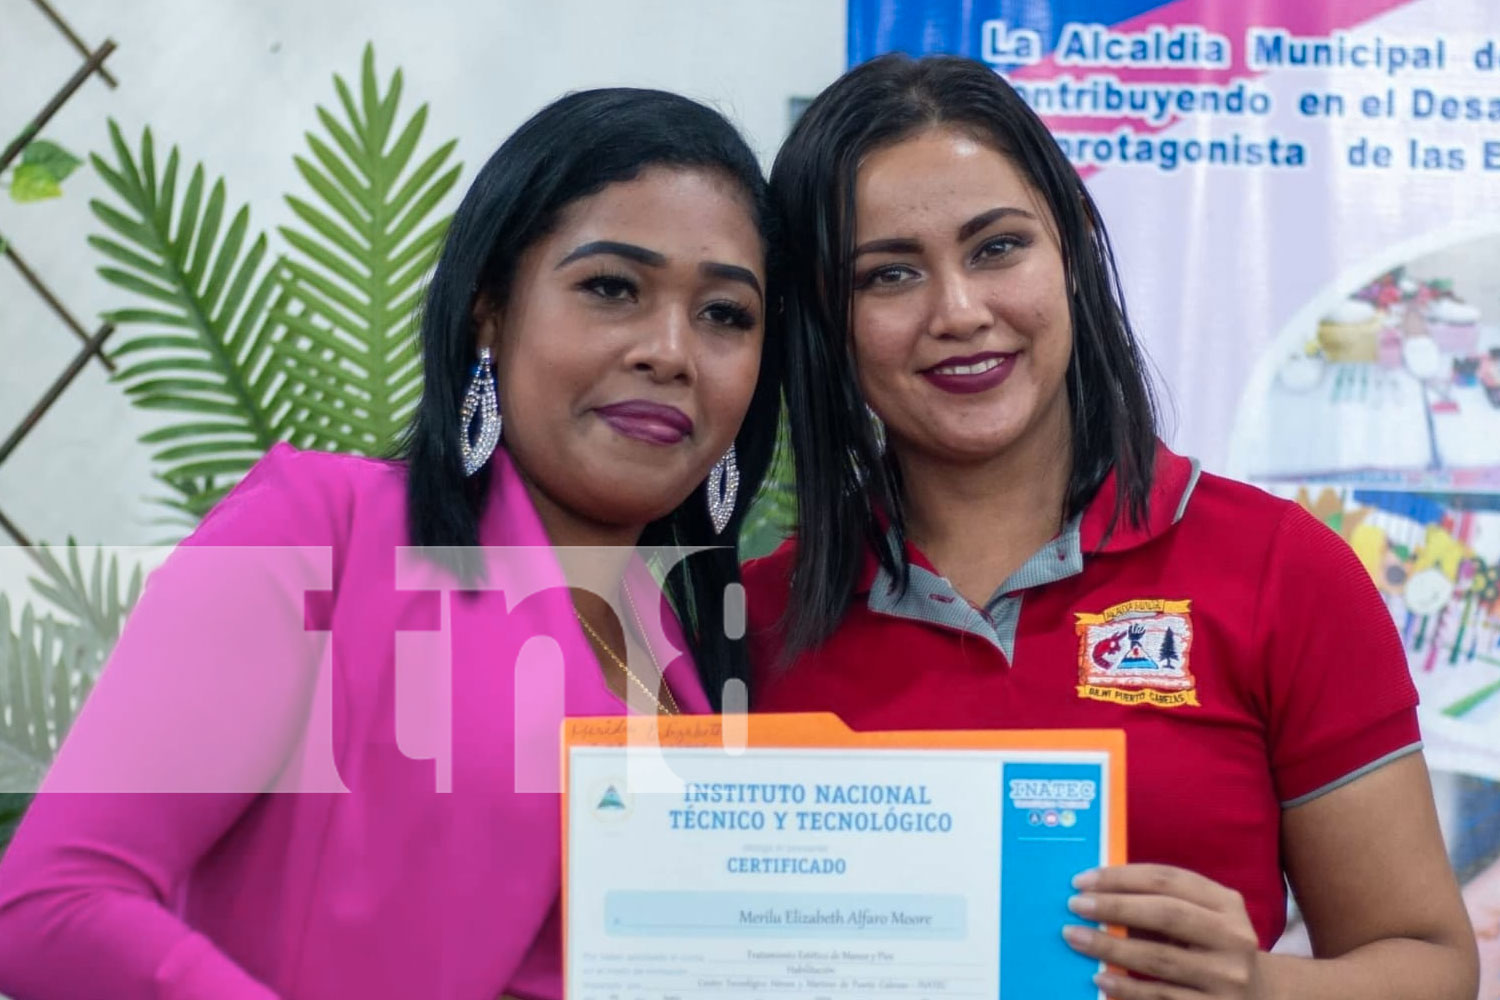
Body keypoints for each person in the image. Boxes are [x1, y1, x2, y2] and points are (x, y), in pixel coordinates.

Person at [0, 87, 782, 1000]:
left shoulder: (697, 649)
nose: (671, 350)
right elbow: (50, 906)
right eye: (611, 288)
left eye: (726, 313)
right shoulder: (320, 533)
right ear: (490, 310)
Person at [745, 52, 1479, 999]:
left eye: (998, 247)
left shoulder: (1278, 571)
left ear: (1076, 253)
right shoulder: (754, 619)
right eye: (888, 275)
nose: (960, 311)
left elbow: (1429, 964)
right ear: (822, 321)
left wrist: (1257, 987)